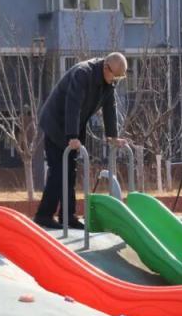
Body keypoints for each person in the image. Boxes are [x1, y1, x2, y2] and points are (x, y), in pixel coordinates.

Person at [34, 53, 128, 230]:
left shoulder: (108, 83)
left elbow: (110, 107)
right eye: (114, 76)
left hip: (71, 127)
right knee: (59, 171)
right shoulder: (83, 73)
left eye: (118, 78)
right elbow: (73, 105)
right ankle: (44, 215)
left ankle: (67, 216)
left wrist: (112, 136)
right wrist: (72, 136)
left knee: (70, 172)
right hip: (56, 123)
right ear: (106, 67)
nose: (114, 81)